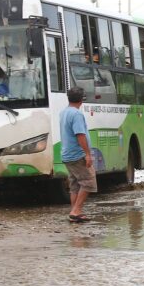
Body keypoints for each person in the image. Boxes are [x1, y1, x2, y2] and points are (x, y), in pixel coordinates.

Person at [60, 86, 97, 222]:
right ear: (82, 99)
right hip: (77, 155)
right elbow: (80, 135)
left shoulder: (63, 112)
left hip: (67, 155)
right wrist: (87, 154)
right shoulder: (76, 114)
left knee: (75, 184)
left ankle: (74, 212)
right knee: (89, 182)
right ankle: (76, 211)